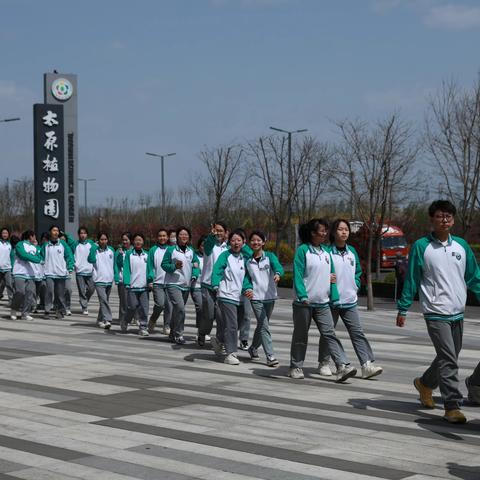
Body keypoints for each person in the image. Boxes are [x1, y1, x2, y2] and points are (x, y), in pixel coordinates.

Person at [397, 200, 480, 424]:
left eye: (449, 216)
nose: (445, 220)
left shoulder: (461, 246)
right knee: (449, 359)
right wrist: (403, 307)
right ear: (432, 219)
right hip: (435, 311)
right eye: (440, 216)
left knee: (449, 355)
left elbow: (474, 277)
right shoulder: (422, 246)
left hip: (457, 311)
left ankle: (425, 384)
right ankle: (452, 405)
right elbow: (412, 279)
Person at [289, 218, 356, 382]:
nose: (325, 233)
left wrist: (335, 297)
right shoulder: (303, 250)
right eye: (322, 231)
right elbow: (297, 274)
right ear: (313, 233)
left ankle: (342, 366)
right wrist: (302, 295)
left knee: (329, 334)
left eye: (326, 230)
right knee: (300, 335)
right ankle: (296, 366)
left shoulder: (327, 252)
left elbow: (332, 278)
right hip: (303, 304)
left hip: (323, 303)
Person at [318, 219, 383, 379]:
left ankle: (366, 364)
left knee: (357, 332)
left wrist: (356, 284)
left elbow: (358, 271)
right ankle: (324, 362)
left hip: (350, 300)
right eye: (340, 229)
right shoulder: (326, 252)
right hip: (330, 301)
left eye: (346, 229)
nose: (344, 232)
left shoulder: (352, 251)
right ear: (334, 232)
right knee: (328, 333)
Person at [211, 229, 253, 365]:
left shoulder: (245, 256)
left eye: (239, 240)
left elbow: (252, 255)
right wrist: (216, 284)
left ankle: (219, 340)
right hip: (226, 294)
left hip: (241, 295)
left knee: (239, 323)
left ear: (243, 242)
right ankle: (231, 353)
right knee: (232, 325)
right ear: (229, 242)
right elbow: (217, 270)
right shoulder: (225, 255)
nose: (236, 243)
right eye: (233, 240)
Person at [245, 230, 283, 367]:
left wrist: (278, 274)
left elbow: (278, 267)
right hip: (256, 298)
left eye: (258, 240)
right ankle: (270, 356)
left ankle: (253, 348)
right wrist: (247, 288)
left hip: (270, 297)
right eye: (253, 240)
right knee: (264, 326)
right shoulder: (248, 261)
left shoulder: (270, 257)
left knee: (261, 326)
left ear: (263, 242)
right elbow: (247, 279)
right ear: (250, 243)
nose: (256, 242)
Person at [161, 226, 200, 344]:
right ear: (177, 237)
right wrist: (174, 267)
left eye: (186, 235)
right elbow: (164, 265)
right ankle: (179, 334)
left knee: (177, 311)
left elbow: (196, 263)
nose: (184, 237)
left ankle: (173, 333)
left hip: (186, 285)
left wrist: (194, 275)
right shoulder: (171, 250)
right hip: (173, 284)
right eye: (181, 234)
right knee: (181, 309)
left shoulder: (191, 251)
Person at [198, 222, 229, 346]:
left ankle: (219, 341)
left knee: (221, 317)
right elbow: (209, 244)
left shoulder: (228, 248)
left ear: (226, 233)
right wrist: (211, 236)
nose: (219, 233)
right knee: (210, 315)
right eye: (216, 230)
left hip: (222, 286)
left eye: (221, 231)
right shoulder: (208, 245)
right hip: (208, 284)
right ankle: (202, 332)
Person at [122, 233, 153, 336]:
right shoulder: (129, 254)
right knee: (132, 307)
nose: (138, 242)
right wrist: (127, 282)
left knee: (144, 308)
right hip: (132, 286)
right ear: (133, 242)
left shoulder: (147, 254)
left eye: (140, 240)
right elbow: (126, 268)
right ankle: (126, 320)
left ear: (143, 242)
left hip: (144, 287)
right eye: (136, 240)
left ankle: (143, 327)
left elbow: (150, 269)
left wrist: (150, 280)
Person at [41, 225, 74, 319]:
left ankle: (59, 310)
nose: (56, 232)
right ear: (50, 232)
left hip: (61, 273)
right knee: (49, 292)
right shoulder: (46, 245)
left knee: (60, 294)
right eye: (54, 230)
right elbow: (41, 257)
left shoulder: (63, 244)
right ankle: (47, 311)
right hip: (49, 273)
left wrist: (70, 266)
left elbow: (69, 256)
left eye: (57, 231)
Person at [88, 232, 118, 329]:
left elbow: (114, 265)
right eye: (101, 239)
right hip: (99, 280)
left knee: (104, 301)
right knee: (103, 300)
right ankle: (107, 319)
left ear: (107, 240)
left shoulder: (111, 250)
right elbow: (91, 260)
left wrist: (115, 276)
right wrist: (93, 248)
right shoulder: (95, 250)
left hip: (109, 279)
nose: (103, 241)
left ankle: (99, 319)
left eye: (105, 239)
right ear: (98, 241)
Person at [10, 230, 42, 321]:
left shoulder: (35, 247)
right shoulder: (20, 244)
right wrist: (36, 259)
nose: (35, 238)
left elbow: (39, 257)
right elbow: (23, 255)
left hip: (30, 274)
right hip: (19, 272)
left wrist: (37, 259)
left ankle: (25, 313)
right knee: (20, 292)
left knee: (29, 294)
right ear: (30, 237)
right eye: (34, 236)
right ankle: (14, 309)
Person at [147, 228, 173, 335]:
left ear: (167, 237)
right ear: (157, 237)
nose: (162, 238)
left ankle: (167, 325)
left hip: (169, 282)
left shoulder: (171, 249)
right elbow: (150, 266)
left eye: (164, 236)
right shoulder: (153, 250)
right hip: (157, 282)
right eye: (160, 236)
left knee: (169, 305)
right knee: (160, 304)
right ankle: (153, 319)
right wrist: (150, 279)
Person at [66, 226, 96, 315]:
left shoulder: (91, 244)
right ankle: (84, 307)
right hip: (79, 271)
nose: (83, 235)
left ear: (87, 234)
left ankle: (84, 301)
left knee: (91, 289)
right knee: (82, 291)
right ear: (79, 235)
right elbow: (69, 243)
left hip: (90, 270)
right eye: (81, 233)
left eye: (84, 233)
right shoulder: (75, 244)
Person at [115, 232, 132, 327]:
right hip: (122, 280)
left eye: (126, 240)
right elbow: (117, 265)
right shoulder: (119, 251)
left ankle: (135, 317)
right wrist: (120, 255)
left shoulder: (134, 250)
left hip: (134, 280)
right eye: (123, 240)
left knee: (133, 301)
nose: (124, 242)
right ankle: (122, 319)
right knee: (124, 301)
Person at [192, 235, 205, 343]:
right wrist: (194, 275)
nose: (204, 247)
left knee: (209, 311)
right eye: (202, 245)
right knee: (200, 308)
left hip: (208, 287)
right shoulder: (195, 256)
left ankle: (204, 330)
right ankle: (200, 331)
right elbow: (194, 268)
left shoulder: (211, 255)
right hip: (196, 286)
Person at [0, 227, 14, 305]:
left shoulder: (9, 244)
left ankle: (11, 300)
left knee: (9, 284)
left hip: (8, 268)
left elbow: (11, 256)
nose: (4, 234)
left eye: (6, 233)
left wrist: (12, 266)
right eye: (3, 233)